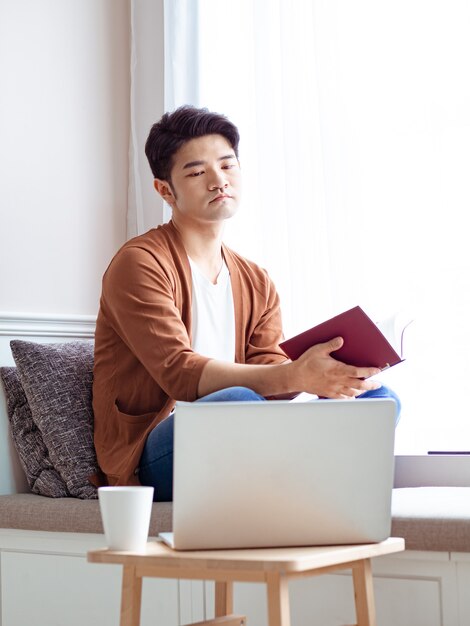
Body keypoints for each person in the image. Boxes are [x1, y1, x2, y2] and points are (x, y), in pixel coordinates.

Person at [92, 105, 399, 500]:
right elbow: (180, 375)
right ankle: (310, 475)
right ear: (165, 190)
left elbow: (268, 371)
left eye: (227, 165)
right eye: (197, 172)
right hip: (152, 455)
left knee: (378, 401)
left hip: (246, 432)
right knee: (238, 402)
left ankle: (305, 479)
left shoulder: (255, 279)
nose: (219, 181)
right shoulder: (140, 263)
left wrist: (325, 371)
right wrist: (294, 376)